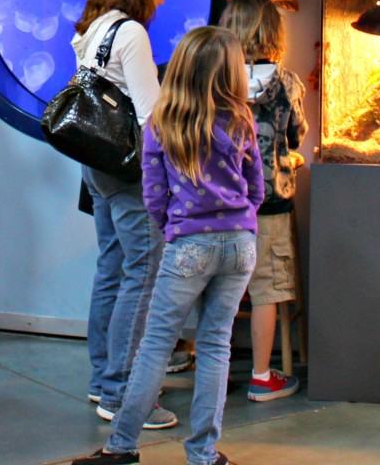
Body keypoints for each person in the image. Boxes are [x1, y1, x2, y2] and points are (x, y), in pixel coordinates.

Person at [73, 26, 264, 465]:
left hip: (188, 245)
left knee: (155, 345)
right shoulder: (240, 120)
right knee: (216, 346)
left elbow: (153, 195)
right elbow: (256, 188)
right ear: (231, 73)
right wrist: (242, 223)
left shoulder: (161, 124)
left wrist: (173, 229)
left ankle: (121, 447)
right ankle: (204, 454)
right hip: (240, 245)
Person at [73, 0, 177, 429]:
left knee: (112, 270)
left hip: (94, 167)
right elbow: (149, 115)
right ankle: (124, 393)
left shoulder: (95, 27)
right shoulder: (131, 33)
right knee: (143, 273)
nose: (160, 1)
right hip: (129, 170)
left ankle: (102, 381)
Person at [220, 0, 306, 402]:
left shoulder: (216, 79)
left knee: (214, 286)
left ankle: (211, 369)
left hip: (217, 205)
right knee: (267, 287)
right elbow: (294, 136)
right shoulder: (286, 82)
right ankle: (261, 374)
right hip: (269, 204)